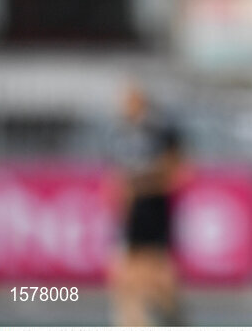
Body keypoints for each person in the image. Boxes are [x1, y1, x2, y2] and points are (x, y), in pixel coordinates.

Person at [107, 82, 187, 326]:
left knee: (154, 274)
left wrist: (141, 184)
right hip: (134, 212)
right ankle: (137, 322)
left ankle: (169, 315)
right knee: (128, 277)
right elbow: (117, 176)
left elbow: (178, 170)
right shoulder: (123, 134)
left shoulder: (160, 131)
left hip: (153, 209)